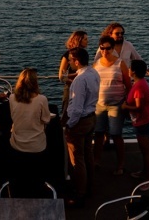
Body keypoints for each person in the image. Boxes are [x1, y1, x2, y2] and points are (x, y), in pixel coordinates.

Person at [91, 36, 133, 176]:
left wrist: (127, 102)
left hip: (116, 105)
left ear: (113, 48)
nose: (104, 51)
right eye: (102, 48)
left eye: (108, 48)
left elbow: (128, 84)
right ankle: (96, 161)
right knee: (98, 134)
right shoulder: (96, 64)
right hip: (99, 105)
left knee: (116, 135)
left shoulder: (120, 64)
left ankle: (120, 164)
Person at [64, 47, 100, 203]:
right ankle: (90, 186)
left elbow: (77, 108)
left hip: (80, 122)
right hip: (91, 118)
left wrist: (69, 125)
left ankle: (80, 192)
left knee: (77, 159)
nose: (70, 63)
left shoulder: (79, 80)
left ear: (76, 61)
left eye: (71, 60)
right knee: (88, 154)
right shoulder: (94, 73)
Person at [6, 67, 53, 181]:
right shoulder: (41, 99)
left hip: (17, 144)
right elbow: (46, 119)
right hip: (36, 145)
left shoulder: (12, 98)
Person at [122, 59, 149, 179]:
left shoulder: (139, 87)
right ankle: (144, 172)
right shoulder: (140, 83)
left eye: (130, 68)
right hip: (142, 120)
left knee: (145, 150)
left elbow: (139, 107)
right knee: (144, 149)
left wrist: (125, 106)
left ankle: (148, 177)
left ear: (133, 72)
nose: (128, 70)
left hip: (143, 121)